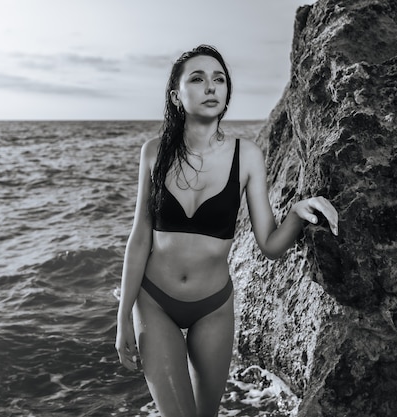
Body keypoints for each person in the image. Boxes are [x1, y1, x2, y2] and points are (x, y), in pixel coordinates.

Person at [115, 44, 339, 417]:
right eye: (198, 79)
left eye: (219, 79)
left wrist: (298, 213)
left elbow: (269, 244)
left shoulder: (247, 155)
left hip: (213, 307)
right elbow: (139, 238)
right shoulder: (153, 153)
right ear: (176, 95)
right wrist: (123, 318)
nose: (211, 87)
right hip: (154, 302)